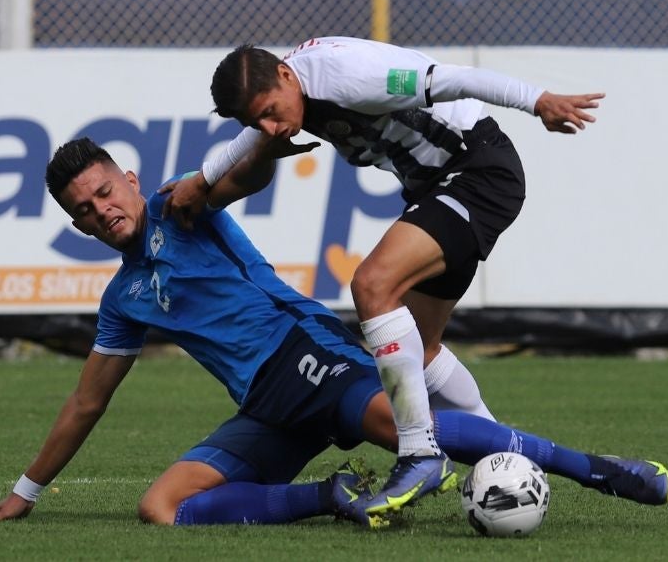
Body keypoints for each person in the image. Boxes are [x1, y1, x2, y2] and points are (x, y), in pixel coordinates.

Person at [0, 138, 668, 529]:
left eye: (105, 192)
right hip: (265, 404)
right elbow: (86, 403)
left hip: (304, 353)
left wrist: (262, 144)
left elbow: (238, 177)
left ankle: (598, 469)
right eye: (85, 210)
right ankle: (332, 494)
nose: (101, 210)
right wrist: (26, 493)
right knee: (163, 507)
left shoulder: (178, 208)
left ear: (128, 180)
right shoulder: (121, 299)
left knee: (409, 429)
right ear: (78, 227)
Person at [159, 36, 606, 517]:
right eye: (256, 120)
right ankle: (509, 465)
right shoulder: (284, 90)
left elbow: (456, 79)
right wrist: (205, 179)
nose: (269, 128)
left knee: (373, 285)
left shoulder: (349, 75)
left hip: (477, 171)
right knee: (423, 347)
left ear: (287, 77)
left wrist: (538, 100)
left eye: (270, 112)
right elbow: (255, 140)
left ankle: (419, 453)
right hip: (434, 188)